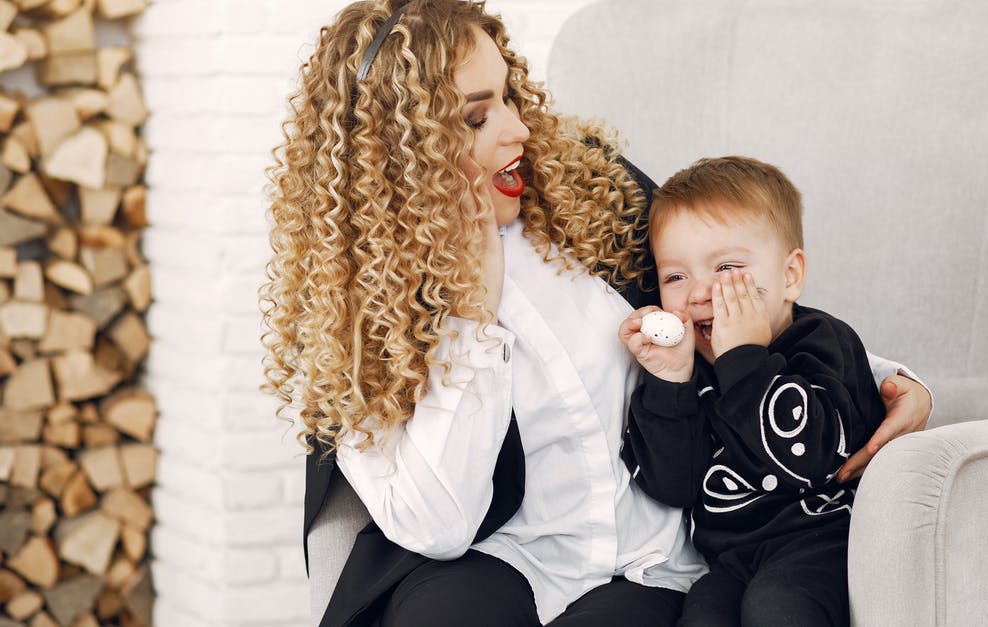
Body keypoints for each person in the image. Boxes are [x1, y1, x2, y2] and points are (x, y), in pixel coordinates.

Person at [260, 1, 932, 626]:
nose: (517, 127)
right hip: (497, 555)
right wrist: (471, 317)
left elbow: (722, 298)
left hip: (652, 558)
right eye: (476, 116)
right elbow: (439, 526)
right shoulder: (352, 311)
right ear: (398, 156)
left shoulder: (591, 191)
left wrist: (883, 379)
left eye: (509, 96)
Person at [619, 156, 894, 626]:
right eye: (675, 277)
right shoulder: (688, 368)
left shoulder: (823, 344)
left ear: (790, 277)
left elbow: (810, 460)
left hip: (824, 541)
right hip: (728, 560)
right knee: (702, 618)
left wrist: (744, 359)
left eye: (726, 266)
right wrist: (668, 382)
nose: (699, 292)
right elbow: (672, 486)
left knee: (776, 609)